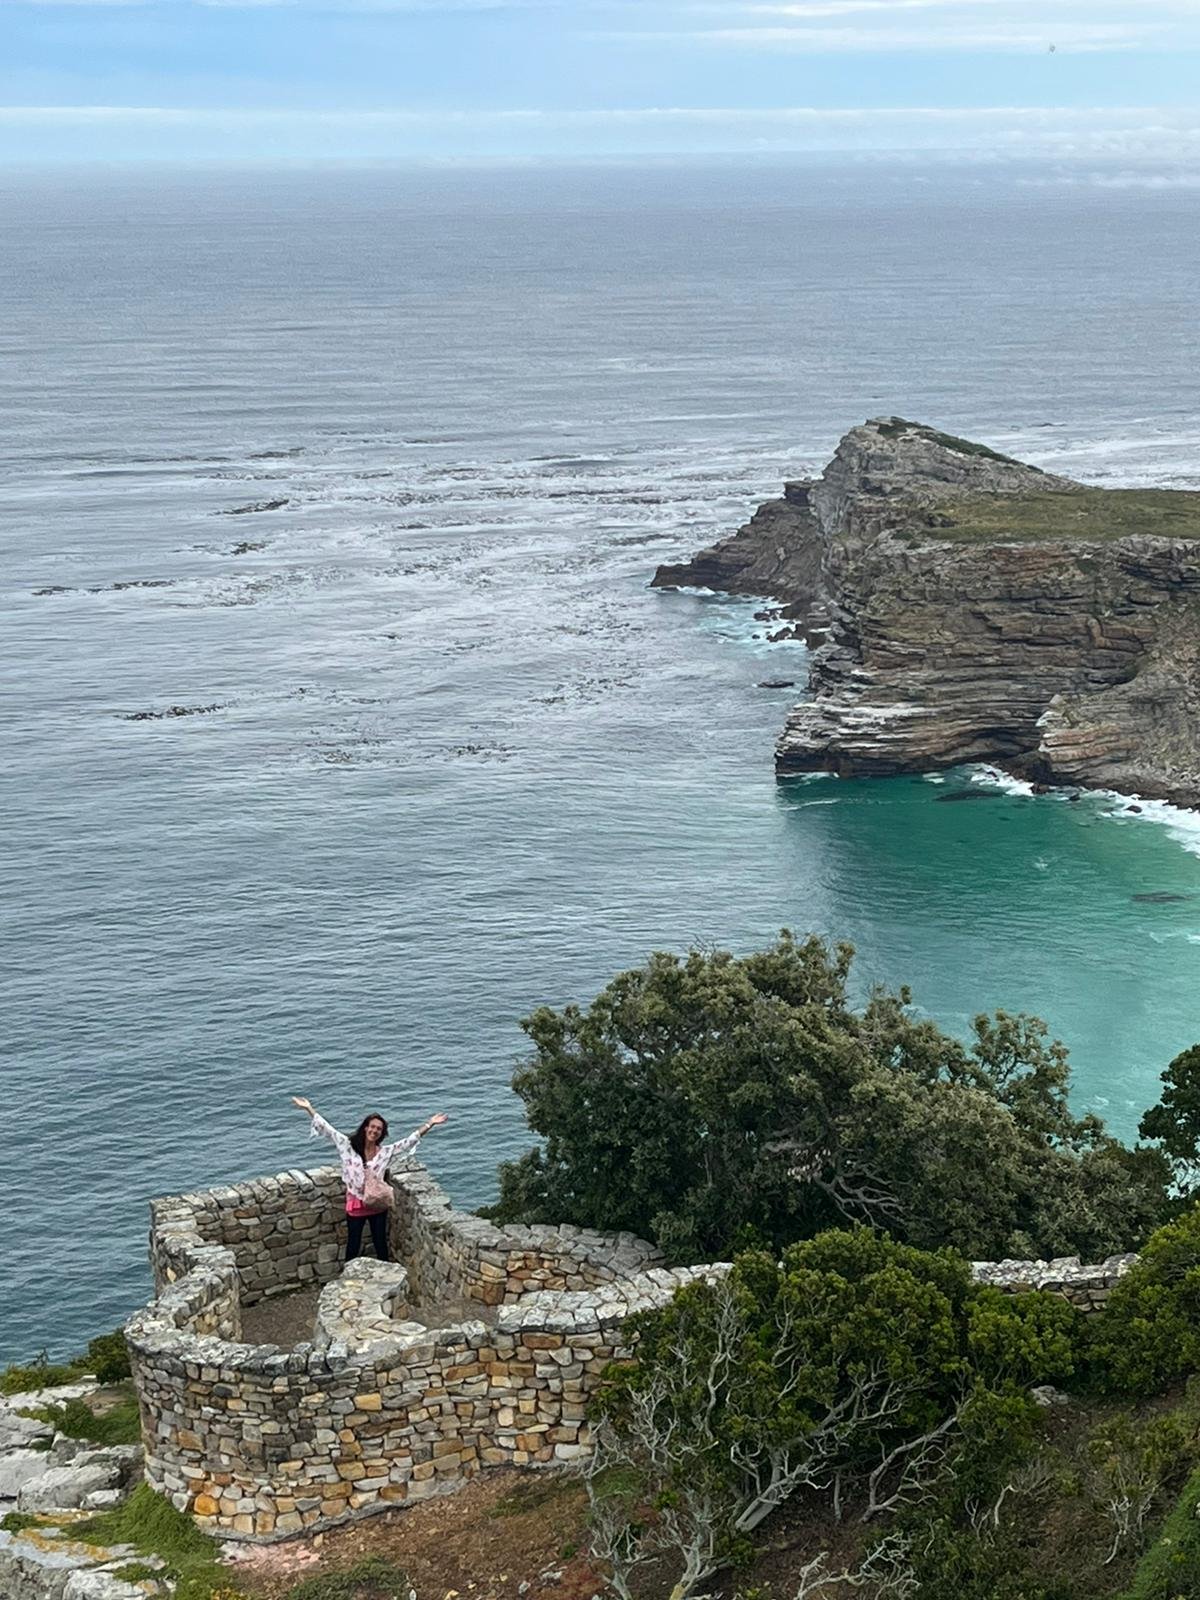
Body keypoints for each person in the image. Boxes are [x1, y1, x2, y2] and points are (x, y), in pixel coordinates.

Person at [290, 1096, 449, 1262]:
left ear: (382, 1133)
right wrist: (308, 1108)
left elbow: (408, 1142)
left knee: (380, 1242)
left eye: (379, 1129)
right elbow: (328, 1129)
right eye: (372, 1127)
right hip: (356, 1203)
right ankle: (348, 1274)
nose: (375, 1131)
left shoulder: (384, 1152)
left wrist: (430, 1123)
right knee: (353, 1243)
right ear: (366, 1128)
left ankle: (386, 1273)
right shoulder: (348, 1146)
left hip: (377, 1203)